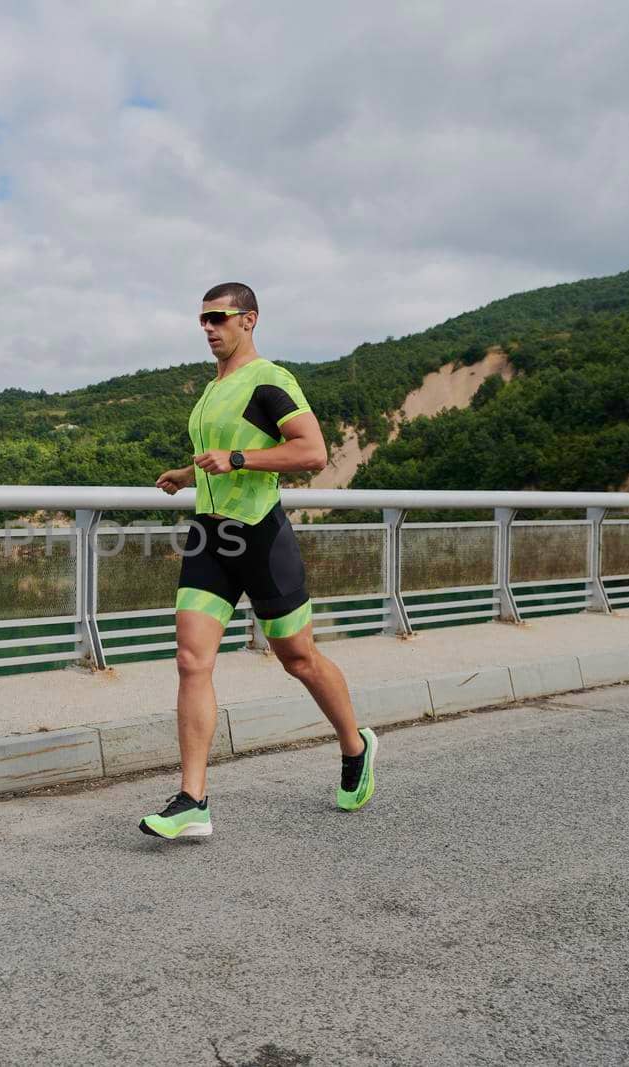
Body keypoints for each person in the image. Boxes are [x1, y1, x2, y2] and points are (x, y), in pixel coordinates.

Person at [140, 282, 376, 839]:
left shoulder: (269, 380)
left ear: (249, 320)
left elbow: (311, 452)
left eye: (218, 318)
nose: (208, 327)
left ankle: (355, 745)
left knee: (298, 658)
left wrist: (239, 458)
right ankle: (193, 800)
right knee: (191, 660)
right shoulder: (211, 390)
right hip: (208, 537)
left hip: (260, 537)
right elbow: (219, 457)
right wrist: (189, 472)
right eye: (202, 319)